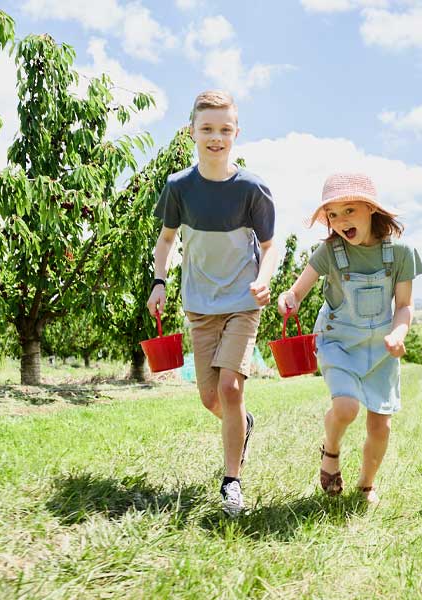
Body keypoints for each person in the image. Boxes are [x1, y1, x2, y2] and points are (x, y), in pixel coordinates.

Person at [147, 90, 277, 516]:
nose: (216, 137)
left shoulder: (253, 189)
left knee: (229, 386)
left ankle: (231, 483)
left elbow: (270, 246)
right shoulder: (179, 187)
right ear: (192, 133)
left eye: (225, 129)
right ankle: (242, 425)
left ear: (237, 132)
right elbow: (166, 239)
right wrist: (160, 281)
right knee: (210, 399)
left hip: (242, 300)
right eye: (207, 129)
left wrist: (263, 278)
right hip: (200, 304)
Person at [277, 173, 422, 504]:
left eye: (349, 210)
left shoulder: (400, 254)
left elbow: (404, 306)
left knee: (380, 427)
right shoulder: (330, 252)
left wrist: (399, 333)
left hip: (381, 348)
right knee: (345, 408)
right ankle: (331, 451)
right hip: (339, 342)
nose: (341, 221)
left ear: (371, 209)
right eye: (333, 214)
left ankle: (366, 485)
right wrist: (290, 298)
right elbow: (297, 291)